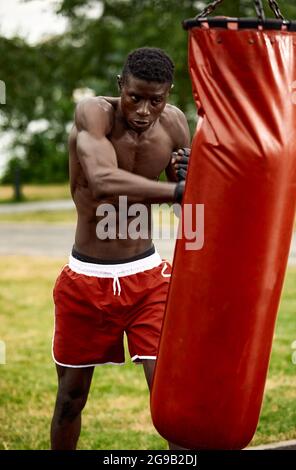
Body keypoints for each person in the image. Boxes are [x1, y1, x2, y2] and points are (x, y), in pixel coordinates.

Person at [51, 47, 191, 450]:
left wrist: (194, 180)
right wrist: (177, 189)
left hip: (148, 279)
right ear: (120, 86)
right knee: (70, 400)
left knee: (168, 396)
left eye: (156, 100)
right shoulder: (93, 114)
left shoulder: (176, 124)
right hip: (86, 280)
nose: (145, 110)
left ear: (168, 94)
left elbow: (189, 204)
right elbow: (102, 180)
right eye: (135, 97)